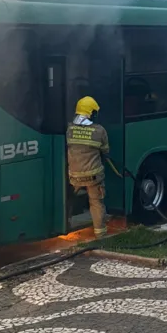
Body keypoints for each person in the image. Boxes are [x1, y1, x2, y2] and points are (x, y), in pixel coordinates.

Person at [66, 96, 111, 237]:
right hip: (93, 176)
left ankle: (66, 224)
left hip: (74, 175)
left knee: (69, 200)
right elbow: (105, 151)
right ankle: (100, 234)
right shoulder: (99, 131)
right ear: (92, 113)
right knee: (96, 203)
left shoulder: (69, 129)